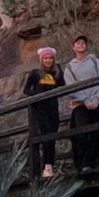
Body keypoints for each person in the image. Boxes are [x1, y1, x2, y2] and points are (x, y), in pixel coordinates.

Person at [64, 35, 99, 172]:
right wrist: (85, 100)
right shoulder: (70, 67)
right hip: (80, 105)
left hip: (97, 102)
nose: (81, 45)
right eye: (78, 43)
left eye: (83, 43)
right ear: (73, 47)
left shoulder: (94, 61)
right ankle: (86, 163)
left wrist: (97, 98)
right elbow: (71, 87)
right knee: (84, 134)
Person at [23, 45, 65, 177]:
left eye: (50, 58)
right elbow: (26, 90)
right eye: (45, 58)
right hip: (41, 109)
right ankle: (47, 166)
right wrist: (37, 95)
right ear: (41, 59)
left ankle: (49, 165)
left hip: (53, 107)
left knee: (53, 136)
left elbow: (63, 86)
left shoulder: (57, 72)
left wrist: (56, 91)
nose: (48, 60)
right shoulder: (35, 73)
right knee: (47, 136)